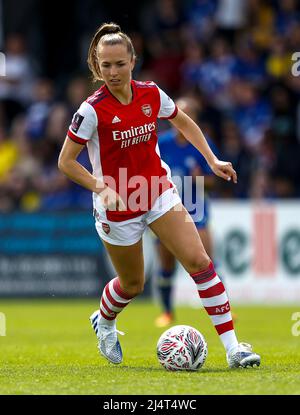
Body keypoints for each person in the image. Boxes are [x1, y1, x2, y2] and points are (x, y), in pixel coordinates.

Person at [58, 22, 260, 368]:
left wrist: (211, 159)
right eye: (105, 65)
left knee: (199, 261)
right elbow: (66, 162)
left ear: (133, 60)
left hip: (157, 191)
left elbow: (183, 122)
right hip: (117, 207)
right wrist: (101, 187)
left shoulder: (151, 94)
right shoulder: (91, 110)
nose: (113, 72)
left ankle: (234, 348)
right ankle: (104, 321)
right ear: (97, 65)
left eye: (119, 63)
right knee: (133, 283)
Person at [154, 96, 218, 328]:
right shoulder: (161, 142)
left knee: (207, 260)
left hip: (196, 209)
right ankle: (167, 312)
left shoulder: (203, 143)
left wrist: (202, 179)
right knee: (166, 264)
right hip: (166, 209)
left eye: (189, 113)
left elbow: (215, 179)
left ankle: (221, 307)